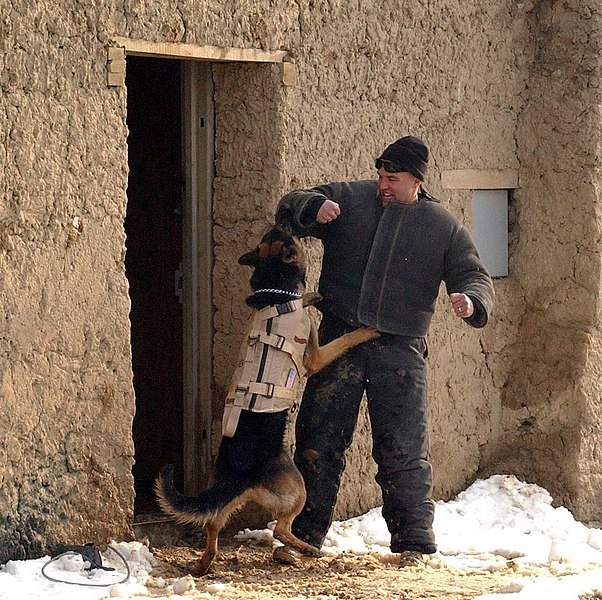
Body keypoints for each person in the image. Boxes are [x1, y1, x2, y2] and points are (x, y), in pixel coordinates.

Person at [276, 135, 495, 567]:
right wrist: (311, 207)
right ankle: (303, 536)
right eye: (380, 175)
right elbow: (290, 205)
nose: (383, 184)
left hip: (400, 351)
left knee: (403, 451)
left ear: (416, 180)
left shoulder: (442, 227)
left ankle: (414, 544)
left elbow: (475, 275)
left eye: (391, 178)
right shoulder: (349, 199)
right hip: (339, 341)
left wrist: (471, 301)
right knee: (318, 441)